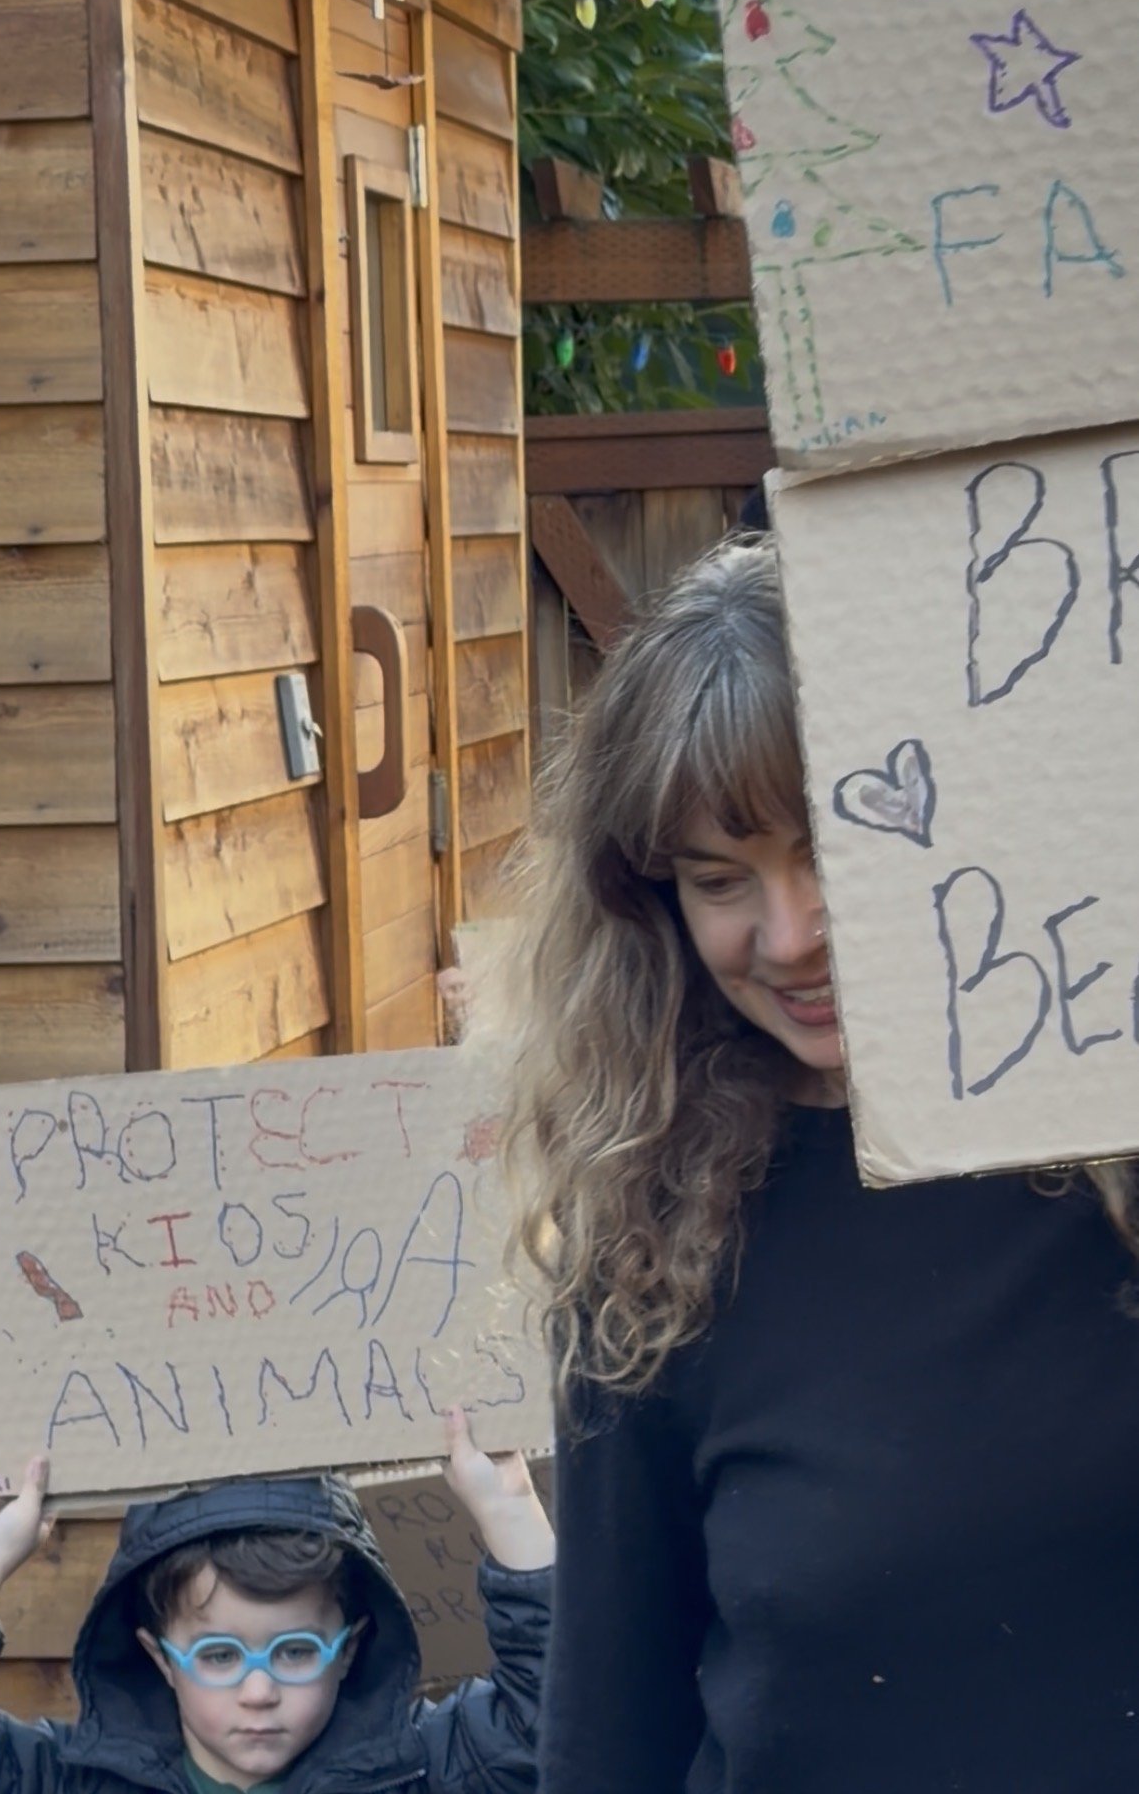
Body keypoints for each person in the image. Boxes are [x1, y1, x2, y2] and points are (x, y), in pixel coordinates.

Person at [500, 533, 1139, 1794]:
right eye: (719, 878)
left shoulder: (1114, 1168)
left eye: (833, 850)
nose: (790, 934)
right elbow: (609, 1732)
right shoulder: (653, 1241)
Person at [0, 1409, 553, 1794]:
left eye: (296, 1651)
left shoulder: (417, 1768)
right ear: (162, 1658)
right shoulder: (69, 1779)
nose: (258, 1693)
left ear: (348, 1650)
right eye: (219, 1656)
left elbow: (550, 1720)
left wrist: (509, 1511)